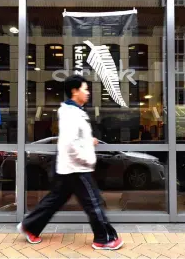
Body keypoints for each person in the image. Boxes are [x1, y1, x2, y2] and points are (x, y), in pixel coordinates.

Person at [17, 75, 123, 250]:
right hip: (76, 167)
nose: (88, 92)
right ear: (75, 91)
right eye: (85, 88)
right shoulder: (71, 113)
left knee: (55, 200)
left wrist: (89, 140)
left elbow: (75, 138)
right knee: (93, 202)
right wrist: (87, 159)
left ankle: (29, 226)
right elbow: (69, 143)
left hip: (68, 166)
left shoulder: (75, 111)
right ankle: (104, 239)